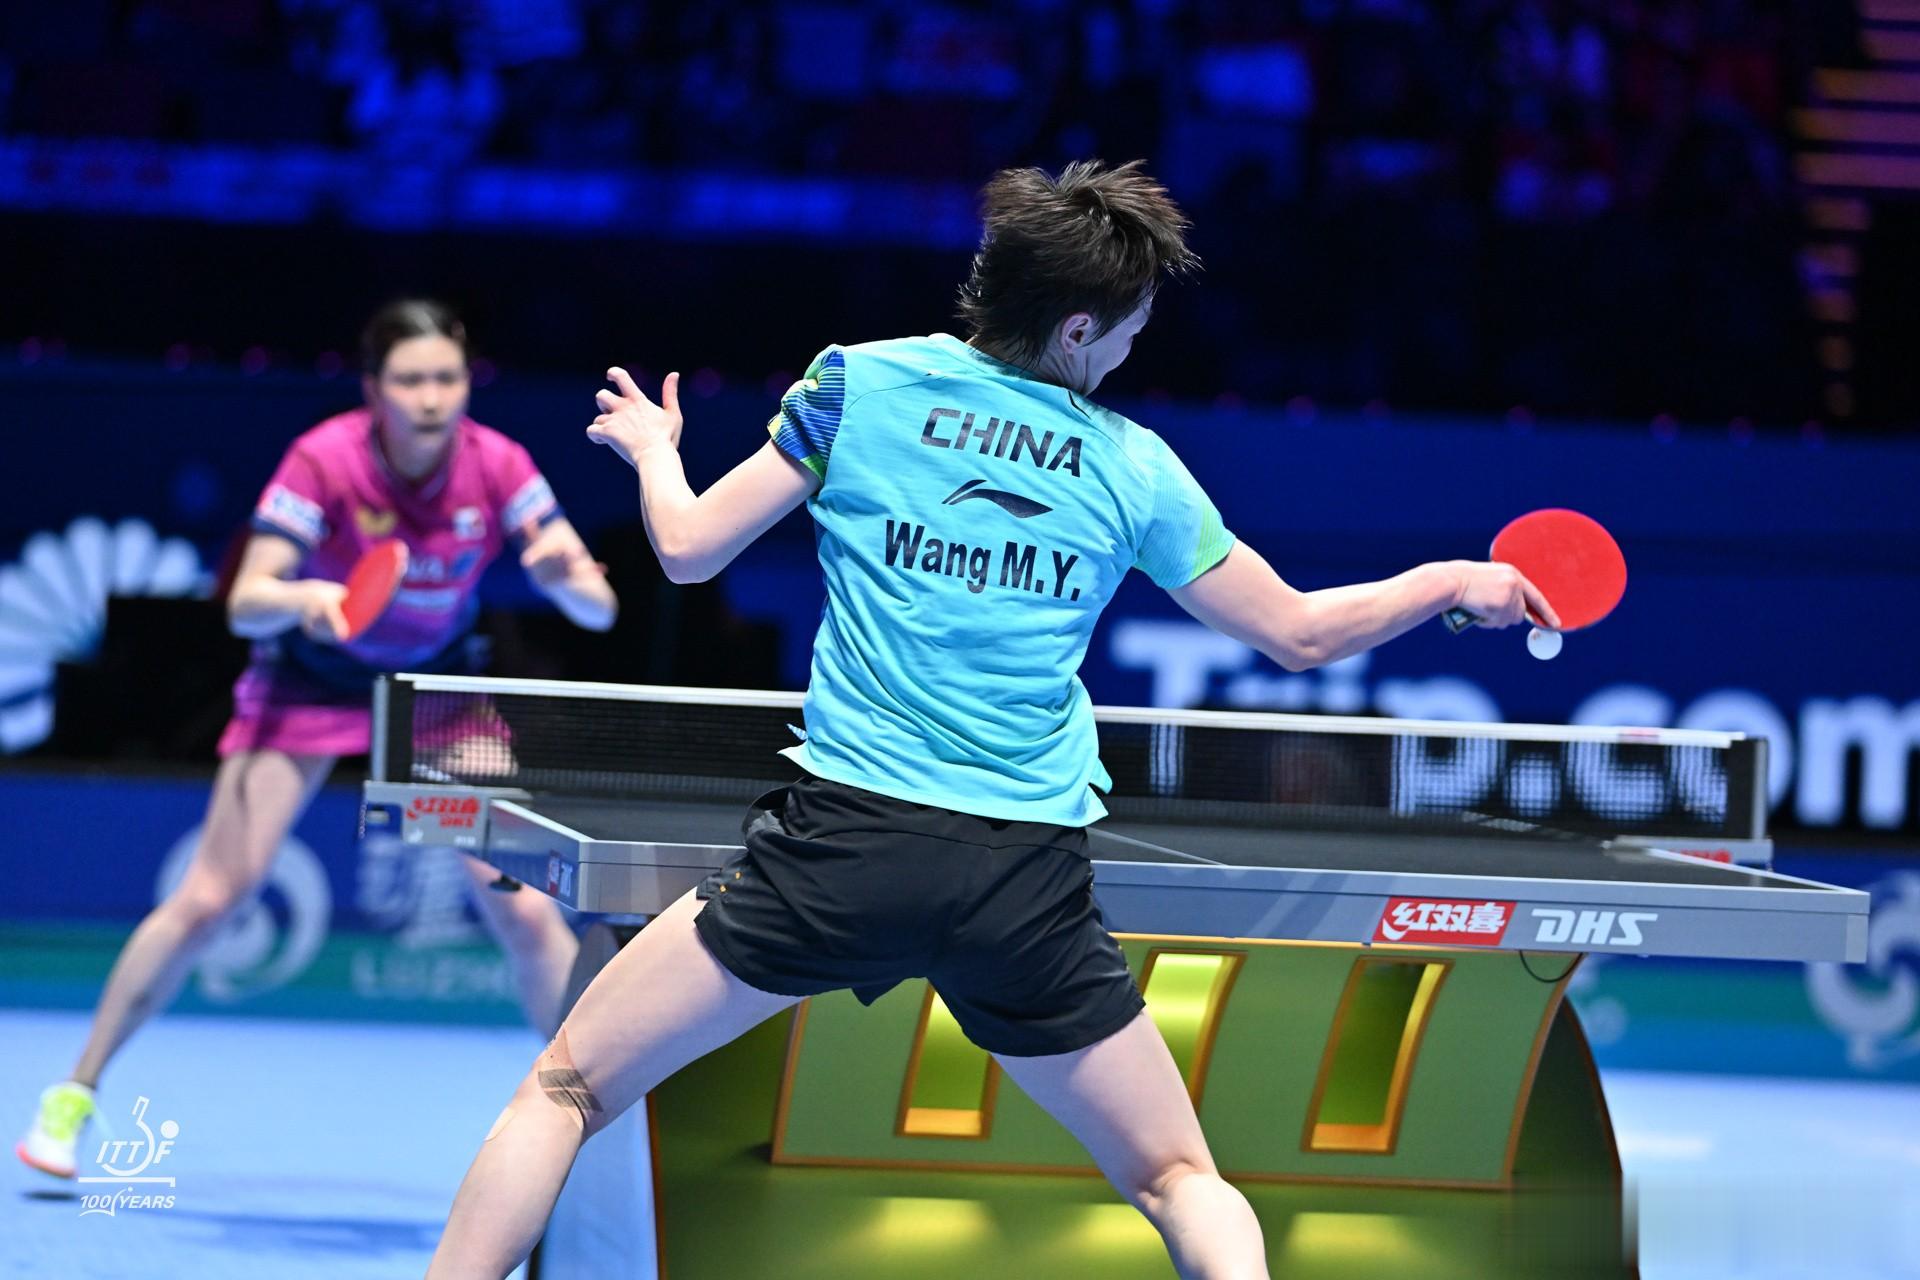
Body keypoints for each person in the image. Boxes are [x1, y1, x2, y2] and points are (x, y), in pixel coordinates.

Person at [425, 162, 1557, 1280]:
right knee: (1179, 1179)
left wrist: (655, 454)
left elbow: (685, 549)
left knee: (566, 1089)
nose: (1131, 351)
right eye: (1129, 330)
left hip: (843, 851)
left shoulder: (857, 384)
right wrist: (1454, 581)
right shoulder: (1134, 468)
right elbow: (1299, 633)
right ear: (1077, 328)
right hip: (1023, 883)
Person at [17, 299, 619, 1180]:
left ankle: (595, 1116)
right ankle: (73, 1094)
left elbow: (598, 611)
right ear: (373, 388)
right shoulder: (324, 459)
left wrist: (564, 579)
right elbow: (245, 601)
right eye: (409, 380)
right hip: (308, 681)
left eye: (446, 378)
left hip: (436, 692)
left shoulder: (498, 463)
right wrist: (306, 598)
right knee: (211, 897)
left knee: (525, 909)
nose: (430, 398)